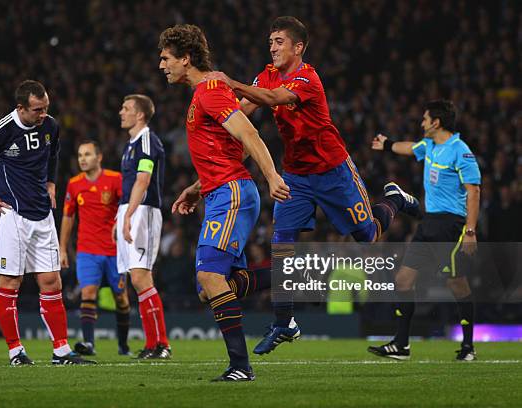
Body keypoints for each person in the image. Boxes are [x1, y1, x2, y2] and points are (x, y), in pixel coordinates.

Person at [206, 16, 420, 355]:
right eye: (270, 41)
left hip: (333, 171)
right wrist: (216, 111)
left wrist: (229, 81)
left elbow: (273, 98)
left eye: (279, 42)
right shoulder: (266, 74)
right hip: (295, 176)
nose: (272, 47)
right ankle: (284, 323)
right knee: (283, 246)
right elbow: (246, 108)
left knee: (368, 236)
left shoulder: (308, 78)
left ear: (298, 47)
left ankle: (393, 198)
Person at [159, 24, 290, 381]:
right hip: (219, 191)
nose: (161, 65)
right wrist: (197, 187)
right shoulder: (202, 94)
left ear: (186, 59)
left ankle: (240, 367)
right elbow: (234, 149)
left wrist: (273, 176)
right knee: (211, 288)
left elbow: (249, 134)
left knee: (209, 275)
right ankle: (285, 275)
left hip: (231, 193)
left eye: (166, 58)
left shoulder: (210, 90)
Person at [0, 80, 94, 365]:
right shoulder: (1, 130)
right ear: (21, 108)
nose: (43, 114)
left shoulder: (50, 126)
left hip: (42, 214)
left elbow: (53, 152)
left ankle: (61, 351)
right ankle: (15, 351)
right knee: (11, 281)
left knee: (51, 281)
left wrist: (53, 182)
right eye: (37, 110)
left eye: (45, 108)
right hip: (11, 215)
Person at [368, 100, 481, 361]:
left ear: (436, 123)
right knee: (403, 281)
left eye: (425, 119)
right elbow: (408, 147)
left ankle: (468, 347)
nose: (422, 123)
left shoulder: (460, 151)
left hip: (452, 226)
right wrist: (386, 144)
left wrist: (471, 232)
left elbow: (473, 191)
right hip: (429, 223)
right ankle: (402, 344)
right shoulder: (429, 146)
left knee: (457, 284)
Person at [60, 140, 131, 357]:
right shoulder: (74, 184)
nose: (82, 158)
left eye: (87, 154)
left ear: (98, 157)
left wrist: (121, 225)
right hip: (87, 250)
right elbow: (68, 216)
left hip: (114, 251)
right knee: (88, 293)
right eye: (80, 154)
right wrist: (62, 248)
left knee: (121, 299)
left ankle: (123, 345)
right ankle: (89, 344)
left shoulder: (114, 179)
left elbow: (127, 205)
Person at [117, 94, 170, 359]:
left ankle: (161, 344)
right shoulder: (131, 144)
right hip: (129, 209)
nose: (121, 112)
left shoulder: (147, 140)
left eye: (126, 109)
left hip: (143, 211)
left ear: (140, 115)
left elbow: (143, 180)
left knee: (141, 277)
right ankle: (153, 344)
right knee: (136, 280)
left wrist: (129, 216)